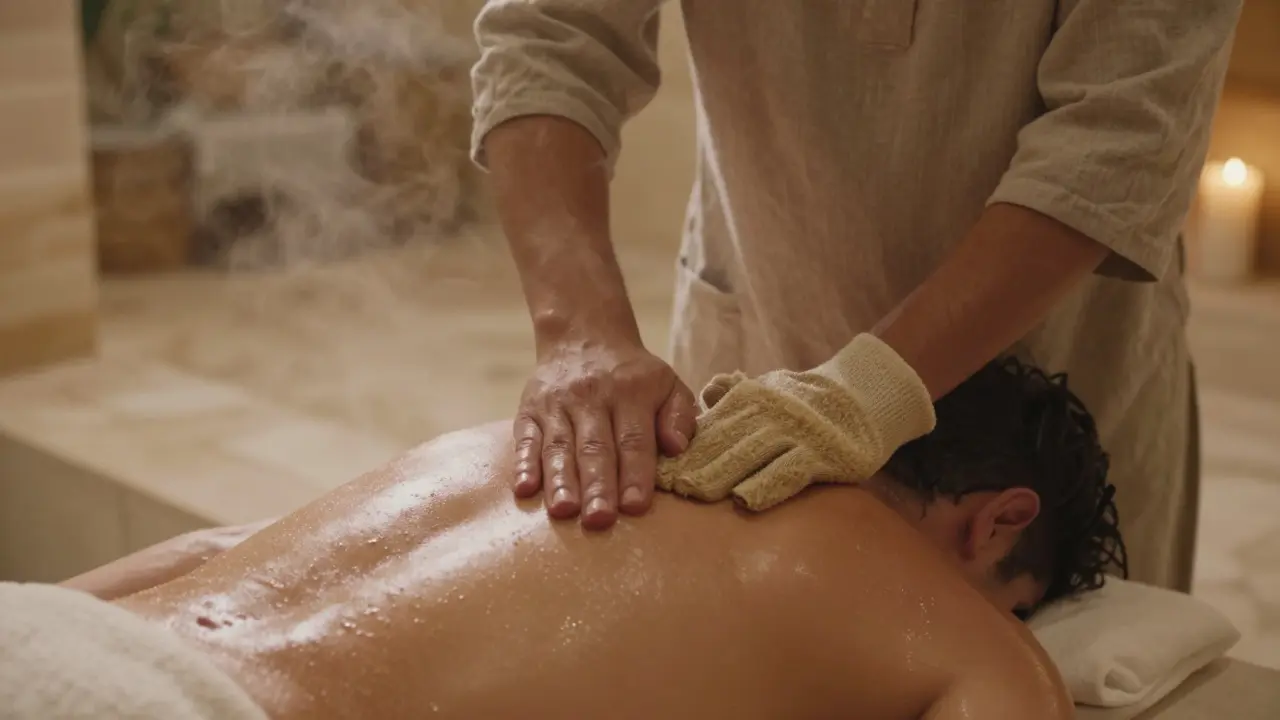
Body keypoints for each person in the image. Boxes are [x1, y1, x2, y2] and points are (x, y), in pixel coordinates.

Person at [470, 0, 1243, 590]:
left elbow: (1118, 138)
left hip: (1057, 389)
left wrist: (869, 391)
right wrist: (580, 331)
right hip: (759, 345)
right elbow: (548, 34)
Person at [4, 359, 1124, 719]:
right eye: (1013, 601)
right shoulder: (962, 633)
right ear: (997, 521)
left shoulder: (548, 442)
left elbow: (203, 547)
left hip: (50, 643)